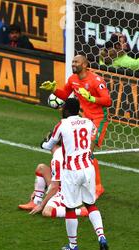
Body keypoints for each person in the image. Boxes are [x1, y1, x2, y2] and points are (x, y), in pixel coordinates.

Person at [41, 98, 108, 250]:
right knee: (91, 205)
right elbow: (94, 135)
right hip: (88, 168)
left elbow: (50, 144)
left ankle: (73, 246)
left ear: (66, 110)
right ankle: (101, 236)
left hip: (71, 171)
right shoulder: (88, 122)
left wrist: (43, 144)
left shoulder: (62, 125)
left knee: (70, 207)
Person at [39, 55, 112, 199]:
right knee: (82, 152)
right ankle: (84, 184)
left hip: (98, 119)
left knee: (88, 152)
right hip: (84, 118)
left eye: (76, 62)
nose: (73, 64)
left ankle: (97, 187)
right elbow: (65, 95)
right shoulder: (72, 79)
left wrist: (91, 98)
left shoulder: (96, 80)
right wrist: (54, 90)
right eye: (72, 61)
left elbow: (108, 101)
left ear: (84, 65)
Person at [19, 139, 89, 218]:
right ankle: (36, 202)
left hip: (67, 191)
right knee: (41, 168)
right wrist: (36, 191)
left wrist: (42, 205)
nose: (46, 141)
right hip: (73, 185)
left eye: (48, 139)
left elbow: (55, 187)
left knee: (47, 212)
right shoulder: (63, 151)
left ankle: (81, 211)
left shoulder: (57, 159)